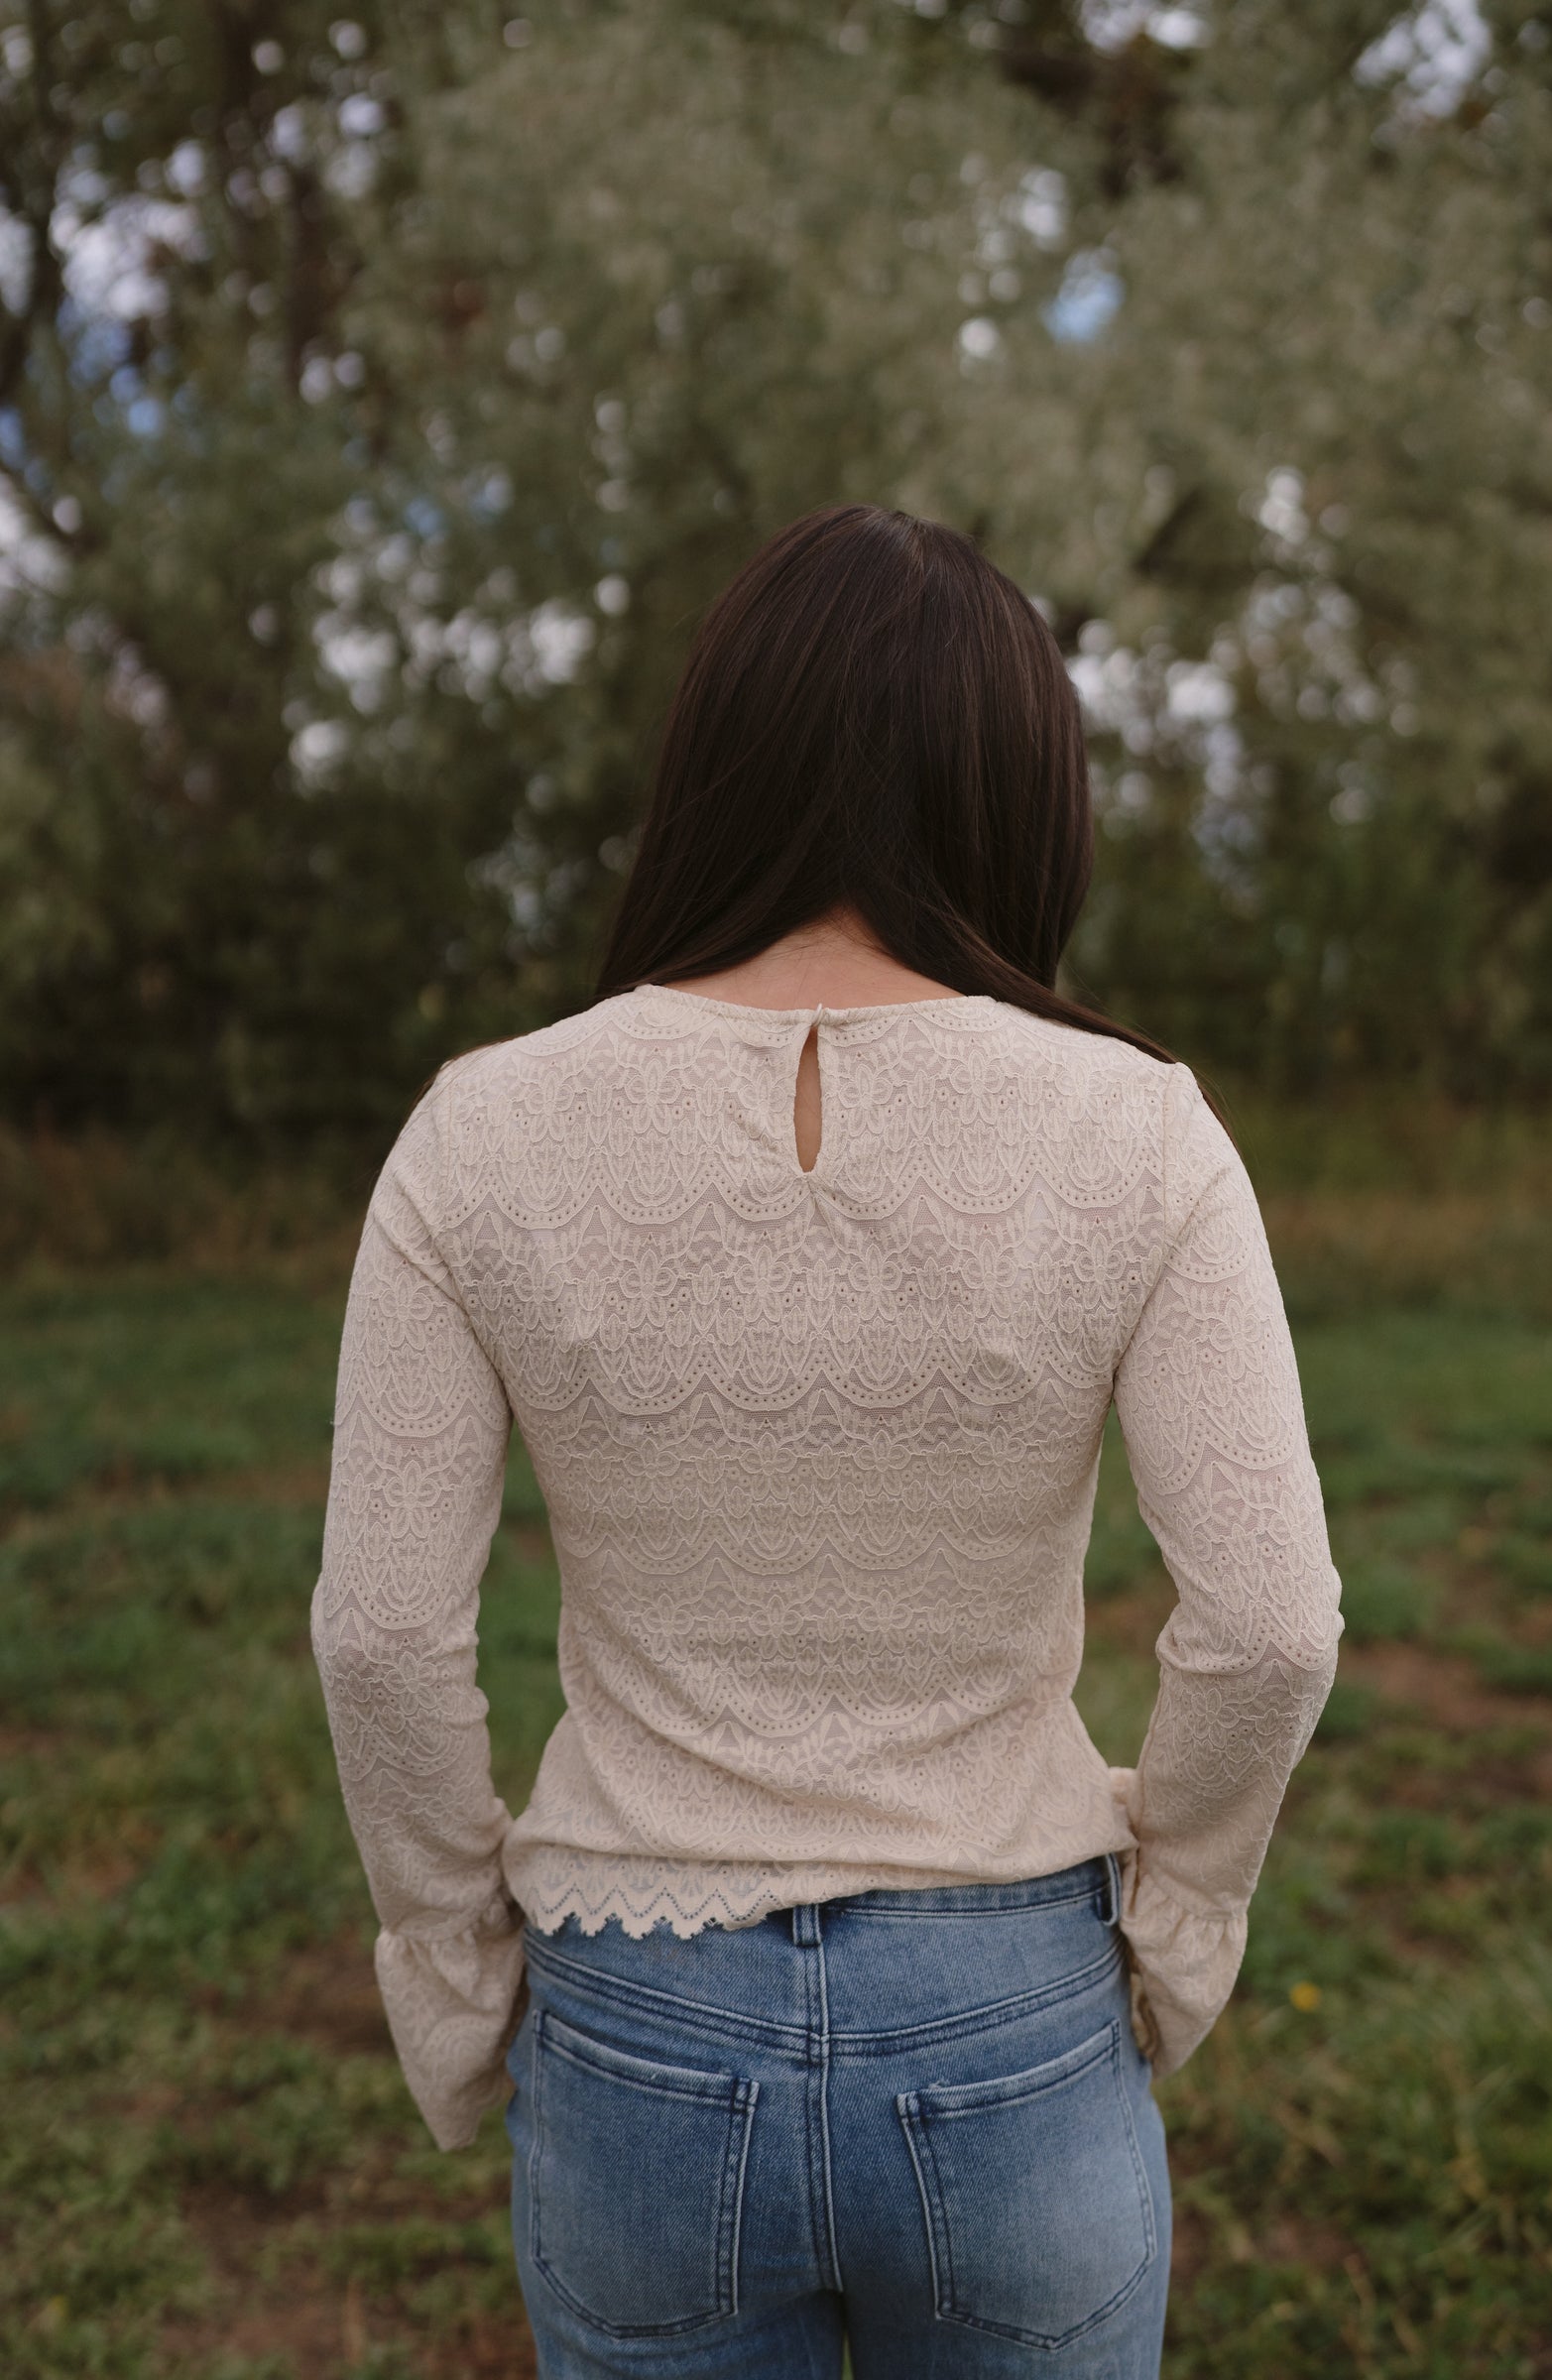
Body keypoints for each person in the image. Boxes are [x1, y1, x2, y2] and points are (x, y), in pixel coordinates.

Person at [312, 504, 1342, 2377]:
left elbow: (381, 1635)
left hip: (636, 2024)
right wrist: (1181, 1917)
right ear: (1021, 784)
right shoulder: (1141, 1135)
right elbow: (1272, 1623)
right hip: (1014, 2013)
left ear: (717, 762)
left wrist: (461, 1980)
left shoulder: (479, 1133)